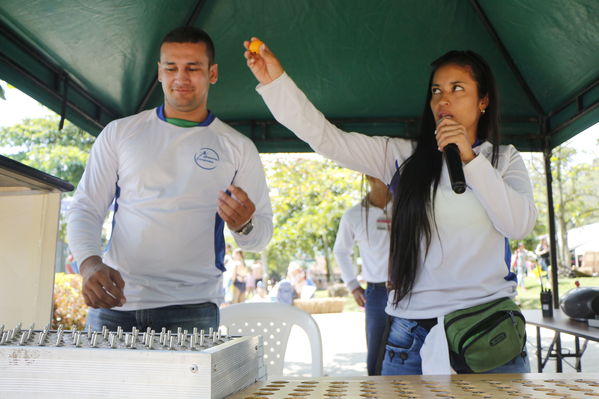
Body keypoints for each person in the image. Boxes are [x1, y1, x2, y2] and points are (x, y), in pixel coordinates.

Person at [244, 40, 536, 375]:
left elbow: (519, 225)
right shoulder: (400, 156)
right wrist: (275, 83)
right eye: (436, 90)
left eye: (458, 88)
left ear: (483, 100)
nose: (444, 98)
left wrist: (469, 159)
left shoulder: (504, 159)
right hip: (410, 337)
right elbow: (325, 137)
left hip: (487, 334)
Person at [65, 27, 273, 333]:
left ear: (212, 73)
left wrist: (244, 224)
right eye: (171, 68)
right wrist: (90, 264)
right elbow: (85, 208)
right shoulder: (120, 133)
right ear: (159, 73)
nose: (181, 78)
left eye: (193, 68)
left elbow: (260, 236)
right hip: (116, 303)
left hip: (193, 310)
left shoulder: (238, 147)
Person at [334, 175, 391, 375]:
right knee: (376, 355)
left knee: (413, 353)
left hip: (411, 289)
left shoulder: (406, 206)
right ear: (370, 176)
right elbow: (340, 250)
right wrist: (352, 285)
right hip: (376, 292)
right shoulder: (354, 215)